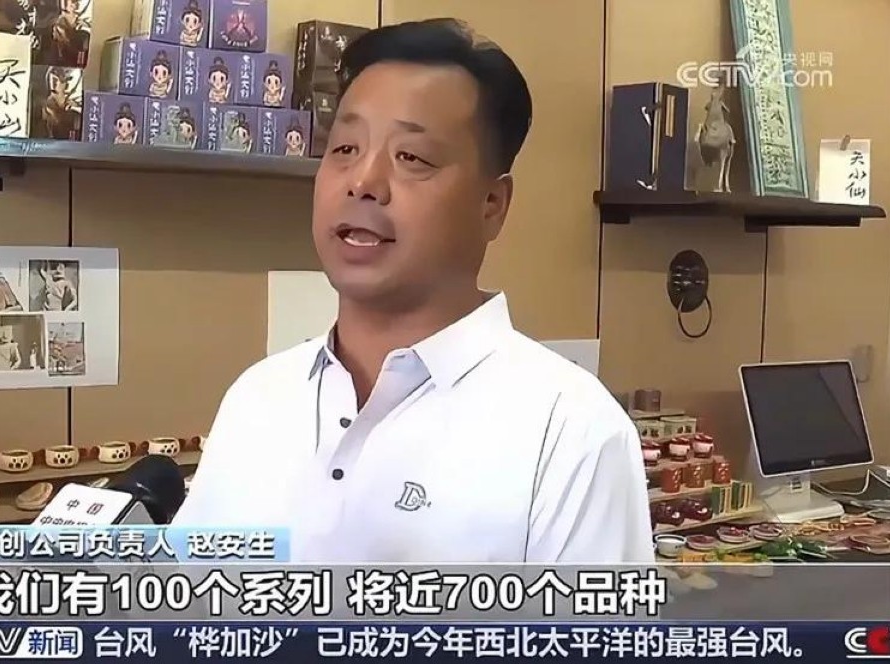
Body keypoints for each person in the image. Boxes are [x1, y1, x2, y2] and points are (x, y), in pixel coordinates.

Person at [175, 19, 652, 563]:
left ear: (492, 205)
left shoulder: (573, 432)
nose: (362, 182)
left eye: (412, 158)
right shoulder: (258, 397)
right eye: (345, 147)